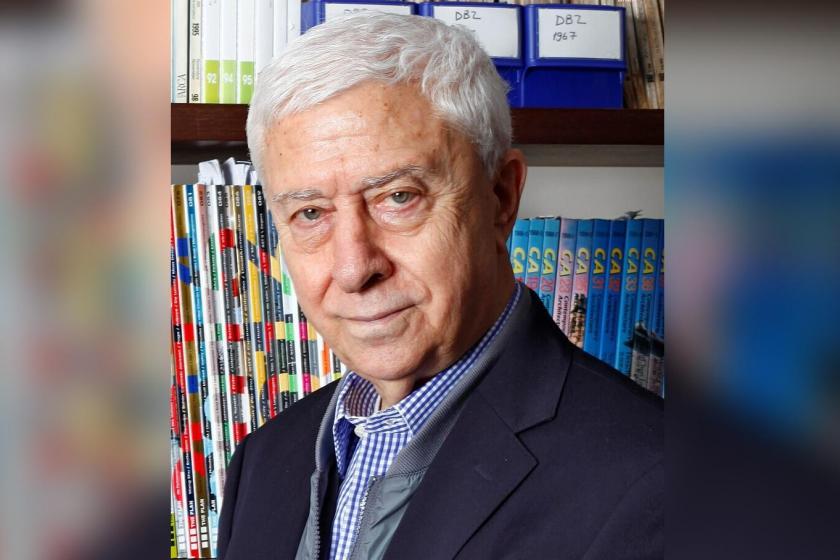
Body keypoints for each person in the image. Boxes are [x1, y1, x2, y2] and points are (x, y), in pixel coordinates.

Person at [218, 12, 663, 560]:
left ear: (501, 198)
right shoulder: (262, 461)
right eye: (310, 213)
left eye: (398, 197)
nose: (354, 268)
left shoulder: (660, 485)